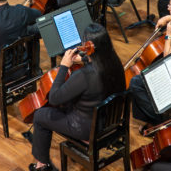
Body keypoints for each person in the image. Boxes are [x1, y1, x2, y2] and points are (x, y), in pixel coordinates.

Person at [28, 23, 124, 171]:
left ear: (88, 47)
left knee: (40, 115)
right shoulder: (115, 63)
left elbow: (54, 98)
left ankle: (42, 165)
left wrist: (64, 66)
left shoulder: (84, 75)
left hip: (86, 128)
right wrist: (85, 60)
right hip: (108, 121)